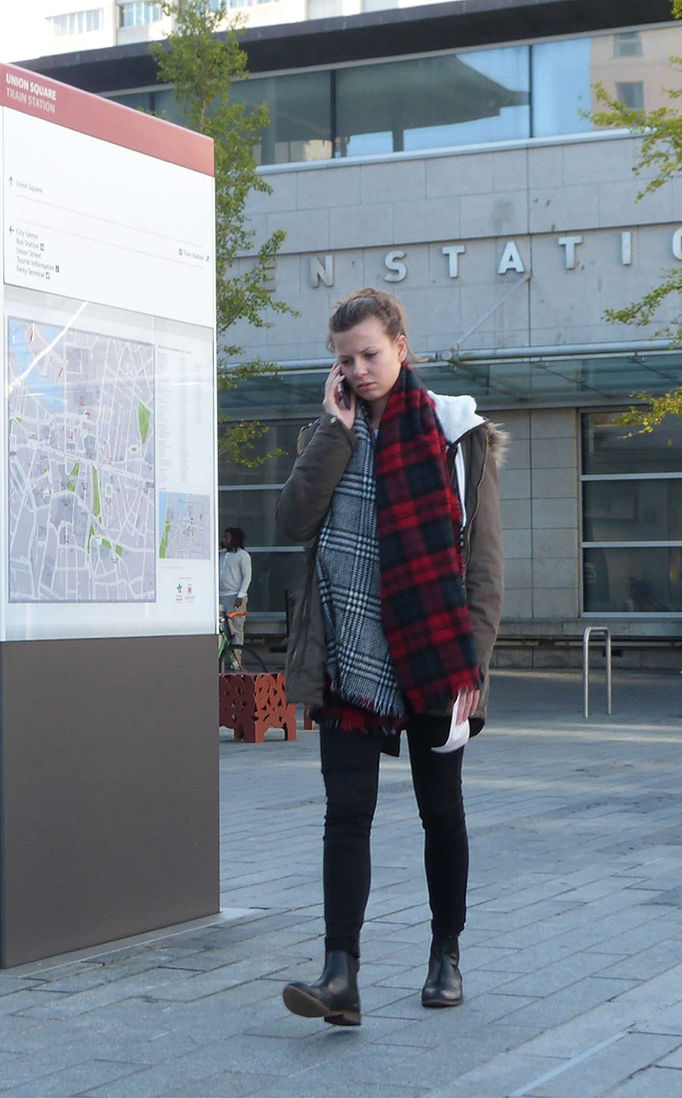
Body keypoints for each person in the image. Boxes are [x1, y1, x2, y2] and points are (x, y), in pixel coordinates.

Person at [276, 288, 504, 1026]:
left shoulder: (452, 429)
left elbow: (485, 565)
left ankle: (446, 954)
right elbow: (292, 520)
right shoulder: (332, 432)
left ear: (401, 346)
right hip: (348, 656)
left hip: (436, 652)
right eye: (345, 359)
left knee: (442, 812)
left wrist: (474, 665)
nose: (359, 369)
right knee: (346, 813)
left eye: (370, 354)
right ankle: (340, 974)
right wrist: (334, 434)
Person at [219, 526, 252, 646]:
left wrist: (240, 596)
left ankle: (236, 661)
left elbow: (247, 577)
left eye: (227, 538)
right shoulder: (221, 554)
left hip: (234, 596)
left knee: (235, 629)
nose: (224, 540)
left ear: (234, 539)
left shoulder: (242, 555)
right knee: (222, 630)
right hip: (220, 596)